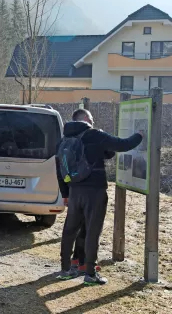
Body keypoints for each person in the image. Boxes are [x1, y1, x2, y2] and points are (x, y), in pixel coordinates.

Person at [56, 108, 143, 286]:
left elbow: (59, 168)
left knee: (70, 229)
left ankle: (65, 270)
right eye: (92, 118)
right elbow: (122, 144)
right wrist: (140, 135)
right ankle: (90, 273)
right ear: (86, 119)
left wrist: (65, 193)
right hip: (94, 191)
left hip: (74, 191)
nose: (93, 121)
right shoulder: (94, 134)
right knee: (93, 231)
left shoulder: (65, 139)